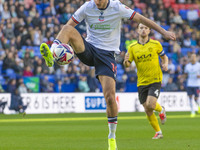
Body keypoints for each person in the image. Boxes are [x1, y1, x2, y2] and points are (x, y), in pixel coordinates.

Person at [40, 0, 176, 149]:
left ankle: (112, 137)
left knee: (110, 97)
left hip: (107, 55)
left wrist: (163, 32)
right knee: (67, 28)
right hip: (89, 49)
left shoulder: (117, 7)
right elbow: (69, 26)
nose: (97, 2)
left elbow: (141, 19)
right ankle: (53, 54)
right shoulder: (87, 7)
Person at [123, 23, 168, 139]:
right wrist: (125, 62)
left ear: (149, 31)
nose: (143, 30)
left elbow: (164, 56)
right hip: (142, 82)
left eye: (146, 28)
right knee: (147, 110)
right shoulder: (132, 47)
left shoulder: (155, 44)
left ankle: (161, 109)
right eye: (141, 28)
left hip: (155, 79)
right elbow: (127, 65)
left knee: (151, 104)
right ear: (137, 30)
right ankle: (158, 132)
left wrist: (165, 63)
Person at [184, 53, 200, 117]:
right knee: (190, 98)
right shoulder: (187, 66)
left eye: (194, 57)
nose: (193, 58)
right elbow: (186, 73)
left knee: (196, 98)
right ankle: (192, 111)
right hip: (189, 84)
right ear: (190, 58)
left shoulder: (199, 65)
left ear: (196, 58)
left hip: (197, 84)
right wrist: (182, 77)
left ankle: (198, 105)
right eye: (192, 57)